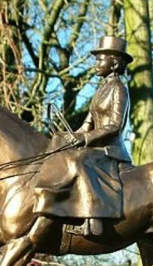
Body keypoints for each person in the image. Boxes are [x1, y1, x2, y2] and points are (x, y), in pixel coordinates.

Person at [33, 36, 133, 236]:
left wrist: (84, 140)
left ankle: (93, 217)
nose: (96, 64)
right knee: (57, 146)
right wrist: (68, 137)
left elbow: (115, 126)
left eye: (100, 60)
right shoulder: (100, 90)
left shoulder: (119, 89)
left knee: (78, 160)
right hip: (95, 145)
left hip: (109, 150)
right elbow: (87, 124)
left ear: (114, 63)